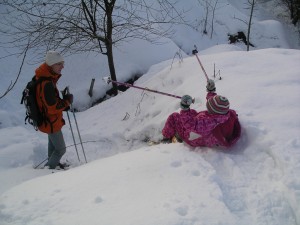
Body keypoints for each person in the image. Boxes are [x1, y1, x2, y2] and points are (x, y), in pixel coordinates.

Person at [162, 79, 241, 148]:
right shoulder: (225, 114)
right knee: (192, 112)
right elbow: (214, 104)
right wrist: (211, 91)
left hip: (192, 137)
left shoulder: (208, 124)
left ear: (213, 111)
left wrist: (185, 108)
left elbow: (190, 124)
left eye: (209, 105)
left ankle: (166, 137)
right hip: (203, 130)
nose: (207, 104)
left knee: (174, 117)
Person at [35, 51, 73, 169]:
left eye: (63, 63)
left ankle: (53, 164)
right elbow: (52, 108)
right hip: (51, 121)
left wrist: (63, 102)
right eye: (59, 64)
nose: (63, 66)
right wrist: (67, 102)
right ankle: (49, 170)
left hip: (49, 121)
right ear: (51, 65)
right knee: (61, 149)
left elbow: (49, 102)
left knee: (53, 145)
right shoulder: (46, 83)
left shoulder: (45, 78)